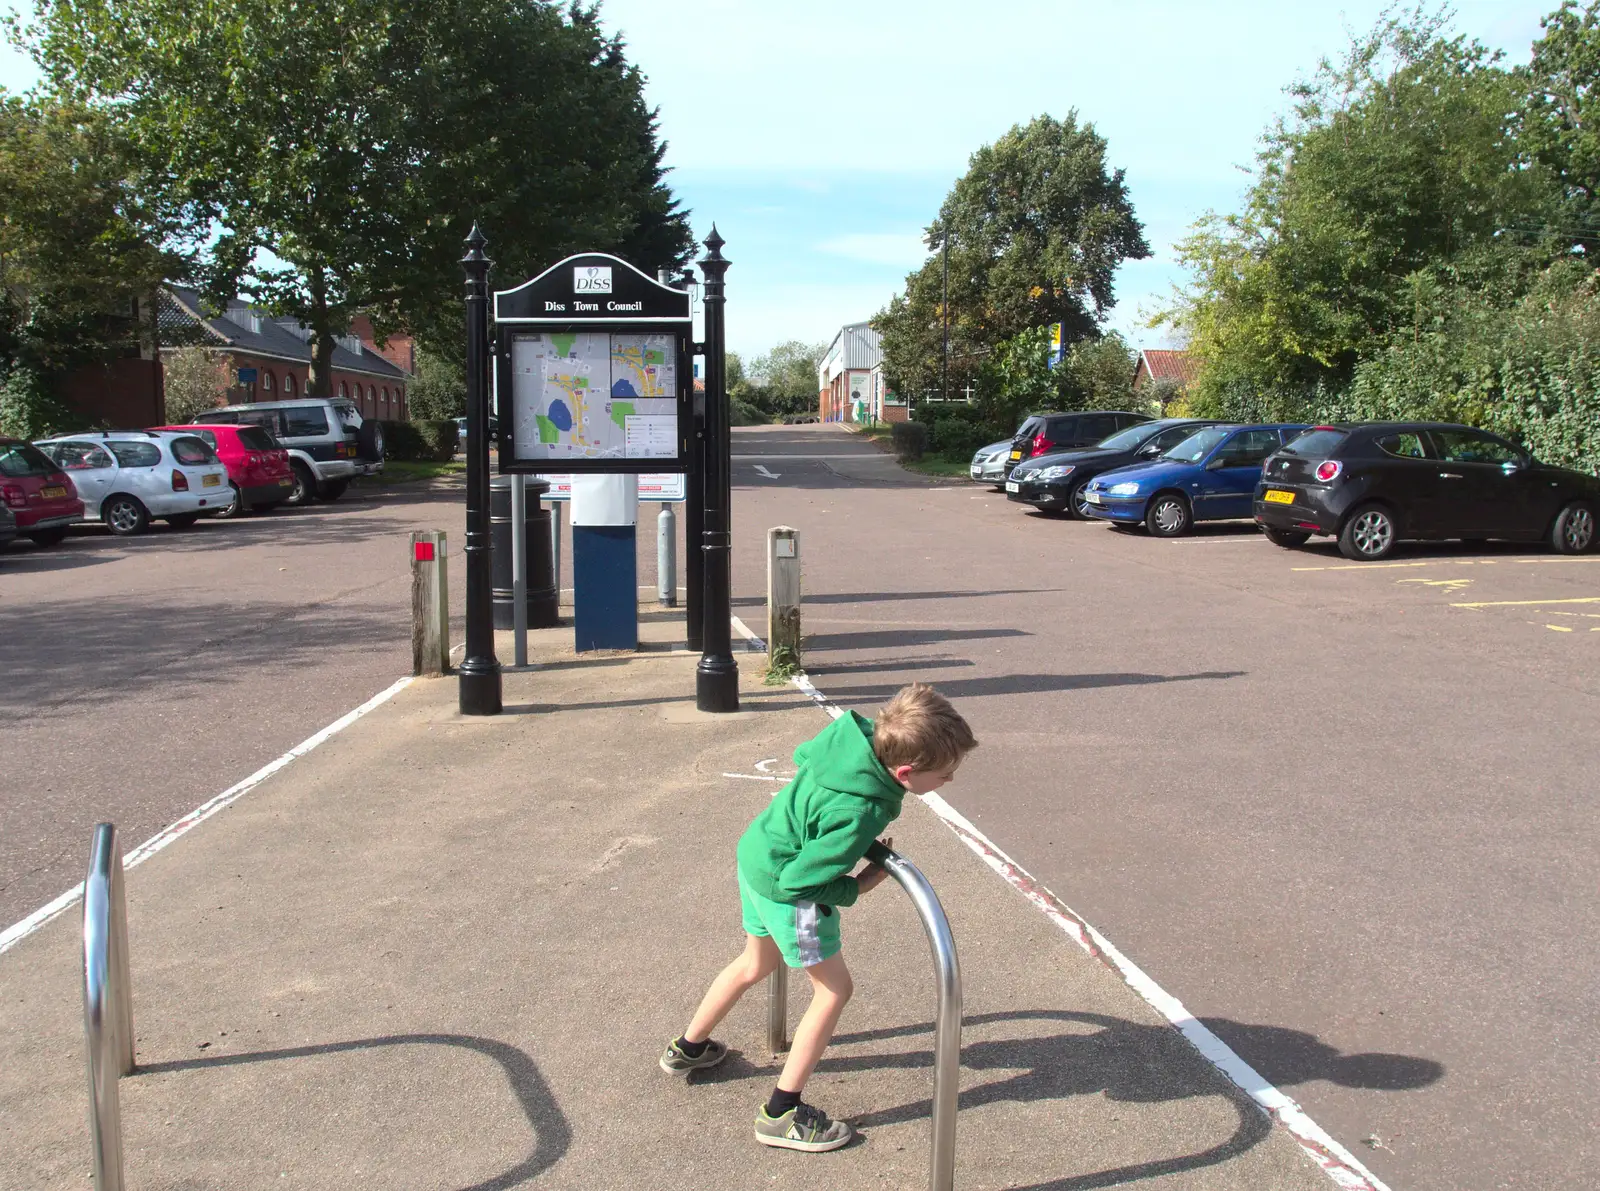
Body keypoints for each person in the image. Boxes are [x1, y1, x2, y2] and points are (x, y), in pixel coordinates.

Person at [659, 683, 978, 1152]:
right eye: (945, 775)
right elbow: (801, 884)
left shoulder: (851, 744)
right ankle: (780, 1111)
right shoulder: (860, 809)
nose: (949, 781)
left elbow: (808, 790)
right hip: (788, 889)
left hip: (758, 856)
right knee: (834, 989)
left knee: (755, 963)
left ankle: (687, 1049)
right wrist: (860, 884)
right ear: (906, 772)